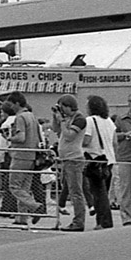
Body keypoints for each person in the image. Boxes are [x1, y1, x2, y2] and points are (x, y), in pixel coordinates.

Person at [3, 93, 41, 224]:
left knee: (14, 186)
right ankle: (22, 217)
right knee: (24, 187)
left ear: (17, 103)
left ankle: (35, 206)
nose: (11, 107)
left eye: (12, 104)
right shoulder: (32, 116)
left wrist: (9, 138)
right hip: (32, 156)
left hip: (20, 155)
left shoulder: (20, 118)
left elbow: (21, 137)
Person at [52, 94, 88, 231]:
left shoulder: (79, 119)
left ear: (68, 107)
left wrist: (61, 121)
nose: (61, 110)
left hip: (74, 159)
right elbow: (56, 130)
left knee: (76, 192)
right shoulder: (67, 118)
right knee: (71, 191)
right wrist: (56, 118)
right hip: (66, 159)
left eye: (62, 107)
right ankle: (77, 220)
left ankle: (79, 222)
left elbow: (69, 136)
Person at [83, 95, 116, 229]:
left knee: (98, 192)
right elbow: (114, 142)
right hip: (109, 159)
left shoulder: (90, 121)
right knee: (104, 191)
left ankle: (104, 221)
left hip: (95, 158)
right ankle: (101, 221)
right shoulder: (109, 121)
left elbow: (86, 140)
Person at [114, 92, 131, 226]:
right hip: (124, 157)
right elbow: (113, 135)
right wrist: (124, 135)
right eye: (130, 101)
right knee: (125, 188)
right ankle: (126, 218)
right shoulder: (121, 118)